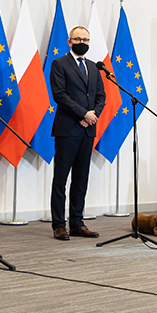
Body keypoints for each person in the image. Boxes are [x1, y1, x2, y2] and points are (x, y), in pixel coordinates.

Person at [49, 26, 105, 241]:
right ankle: (58, 225)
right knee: (61, 179)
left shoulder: (93, 67)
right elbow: (60, 95)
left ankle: (77, 222)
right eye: (78, 39)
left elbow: (101, 96)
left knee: (81, 179)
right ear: (69, 41)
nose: (82, 42)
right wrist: (83, 114)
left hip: (87, 130)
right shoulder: (59, 64)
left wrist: (92, 115)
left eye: (86, 39)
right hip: (67, 129)